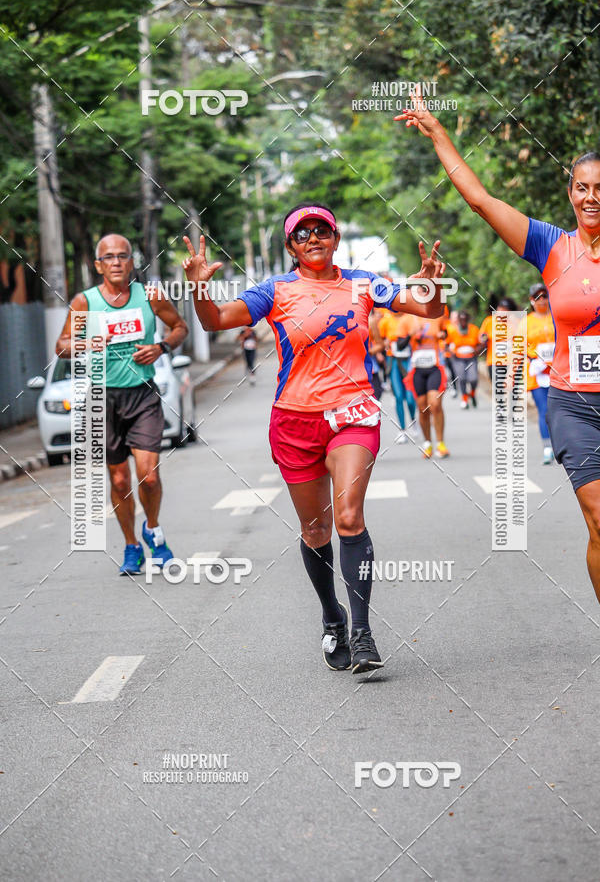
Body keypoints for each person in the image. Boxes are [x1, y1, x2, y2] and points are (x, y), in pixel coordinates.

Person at [182, 203, 446, 672]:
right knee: (316, 529)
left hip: (354, 413)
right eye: (301, 235)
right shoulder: (277, 290)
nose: (312, 239)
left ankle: (363, 632)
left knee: (348, 516)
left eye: (320, 230)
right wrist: (200, 288)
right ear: (290, 247)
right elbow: (215, 320)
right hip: (295, 422)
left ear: (336, 237)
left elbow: (429, 309)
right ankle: (332, 616)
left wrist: (430, 282)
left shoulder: (363, 284)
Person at [397, 91, 600, 605]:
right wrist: (439, 134)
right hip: (574, 403)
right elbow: (481, 201)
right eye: (582, 187)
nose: (591, 197)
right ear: (570, 191)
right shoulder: (553, 247)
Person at [55, 233, 188, 575]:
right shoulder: (85, 303)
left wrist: (160, 348)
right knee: (117, 481)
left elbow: (179, 327)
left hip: (142, 394)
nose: (116, 262)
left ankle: (153, 531)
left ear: (131, 262)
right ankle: (131, 546)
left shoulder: (149, 296)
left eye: (122, 256)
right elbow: (62, 346)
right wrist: (89, 343)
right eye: (109, 257)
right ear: (98, 265)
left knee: (150, 477)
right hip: (102, 397)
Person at [403, 311, 450, 458]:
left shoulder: (437, 314)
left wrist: (443, 334)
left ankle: (441, 443)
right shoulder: (407, 319)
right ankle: (428, 443)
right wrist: (411, 334)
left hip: (435, 366)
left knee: (435, 404)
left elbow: (446, 331)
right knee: (423, 408)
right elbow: (399, 345)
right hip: (417, 369)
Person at [524, 283, 556, 464]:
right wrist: (536, 361)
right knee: (544, 411)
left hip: (559, 372)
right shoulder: (526, 321)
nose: (542, 300)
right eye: (537, 297)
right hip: (537, 373)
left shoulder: (557, 316)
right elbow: (520, 345)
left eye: (544, 296)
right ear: (531, 300)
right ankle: (547, 447)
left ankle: (560, 444)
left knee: (558, 412)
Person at [377, 308, 417, 443]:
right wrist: (385, 346)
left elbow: (416, 337)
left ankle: (413, 420)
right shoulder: (385, 320)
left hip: (408, 360)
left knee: (411, 398)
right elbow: (380, 341)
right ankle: (402, 430)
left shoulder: (410, 318)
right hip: (393, 360)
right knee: (398, 396)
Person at [446, 309, 482, 408]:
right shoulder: (453, 331)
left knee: (473, 378)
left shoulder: (474, 329)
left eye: (465, 320)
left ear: (468, 320)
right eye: (461, 320)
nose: (463, 322)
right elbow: (447, 344)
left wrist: (477, 351)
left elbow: (481, 343)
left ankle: (473, 393)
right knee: (461, 378)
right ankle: (464, 399)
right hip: (458, 359)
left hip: (471, 358)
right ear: (458, 320)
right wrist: (451, 352)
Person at [479, 297, 518, 382]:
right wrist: (483, 338)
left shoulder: (515, 322)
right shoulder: (489, 321)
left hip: (511, 362)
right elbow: (481, 337)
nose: (501, 311)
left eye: (505, 309)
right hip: (494, 362)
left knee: (512, 391)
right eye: (500, 308)